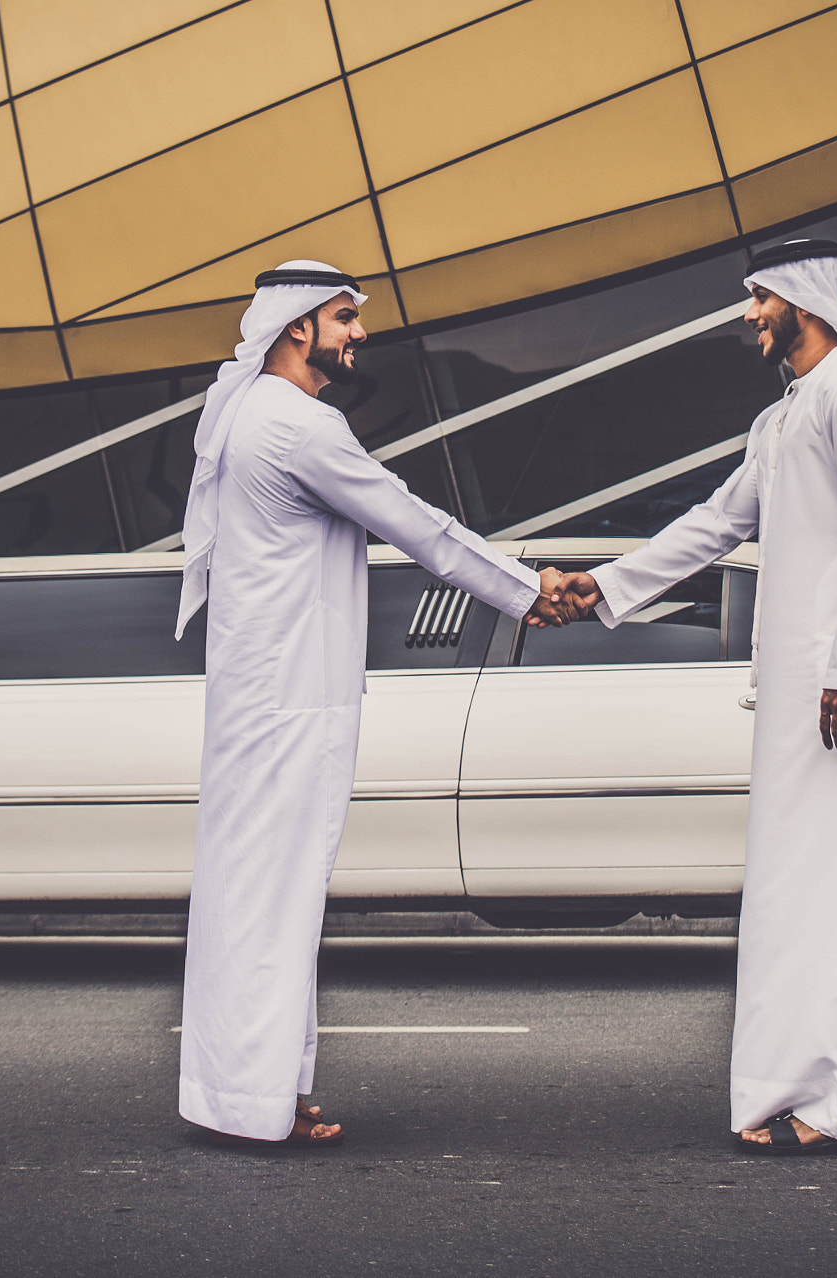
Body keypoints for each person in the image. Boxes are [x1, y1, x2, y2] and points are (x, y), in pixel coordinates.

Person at [550, 239, 837, 1153]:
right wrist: (603, 587)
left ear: (802, 302)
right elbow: (718, 523)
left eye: (759, 299)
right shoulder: (791, 415)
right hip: (814, 678)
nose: (748, 316)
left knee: (831, 874)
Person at [176, 261, 575, 1148]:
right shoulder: (297, 427)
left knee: (254, 895)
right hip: (290, 701)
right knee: (276, 899)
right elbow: (415, 524)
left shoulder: (251, 413)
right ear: (297, 329)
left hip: (262, 694)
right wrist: (528, 588)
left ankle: (249, 1090)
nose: (359, 334)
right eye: (346, 318)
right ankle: (253, 1103)